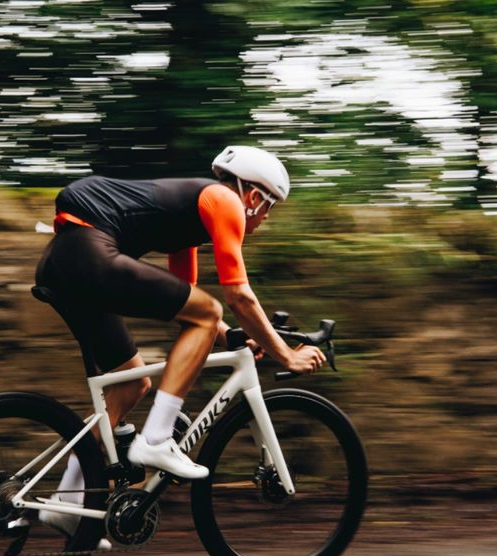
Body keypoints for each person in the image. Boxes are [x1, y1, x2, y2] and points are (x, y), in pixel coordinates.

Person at [32, 146, 326, 535]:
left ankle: (67, 502)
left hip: (63, 263)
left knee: (132, 384)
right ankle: (155, 439)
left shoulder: (187, 222)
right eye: (269, 208)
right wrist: (286, 355)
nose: (265, 219)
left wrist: (233, 338)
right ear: (254, 197)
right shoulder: (225, 201)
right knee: (209, 311)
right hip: (88, 251)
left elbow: (185, 303)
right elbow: (238, 296)